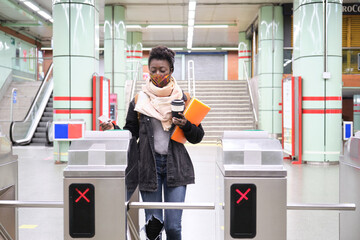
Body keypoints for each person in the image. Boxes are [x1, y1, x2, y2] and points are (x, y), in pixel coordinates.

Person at [101, 46, 204, 240]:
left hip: (177, 167)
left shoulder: (184, 99)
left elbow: (198, 136)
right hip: (149, 167)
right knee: (153, 227)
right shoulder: (140, 100)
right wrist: (115, 129)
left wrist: (186, 125)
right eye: (153, 70)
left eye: (162, 70)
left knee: (173, 227)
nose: (157, 74)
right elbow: (131, 131)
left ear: (171, 71)